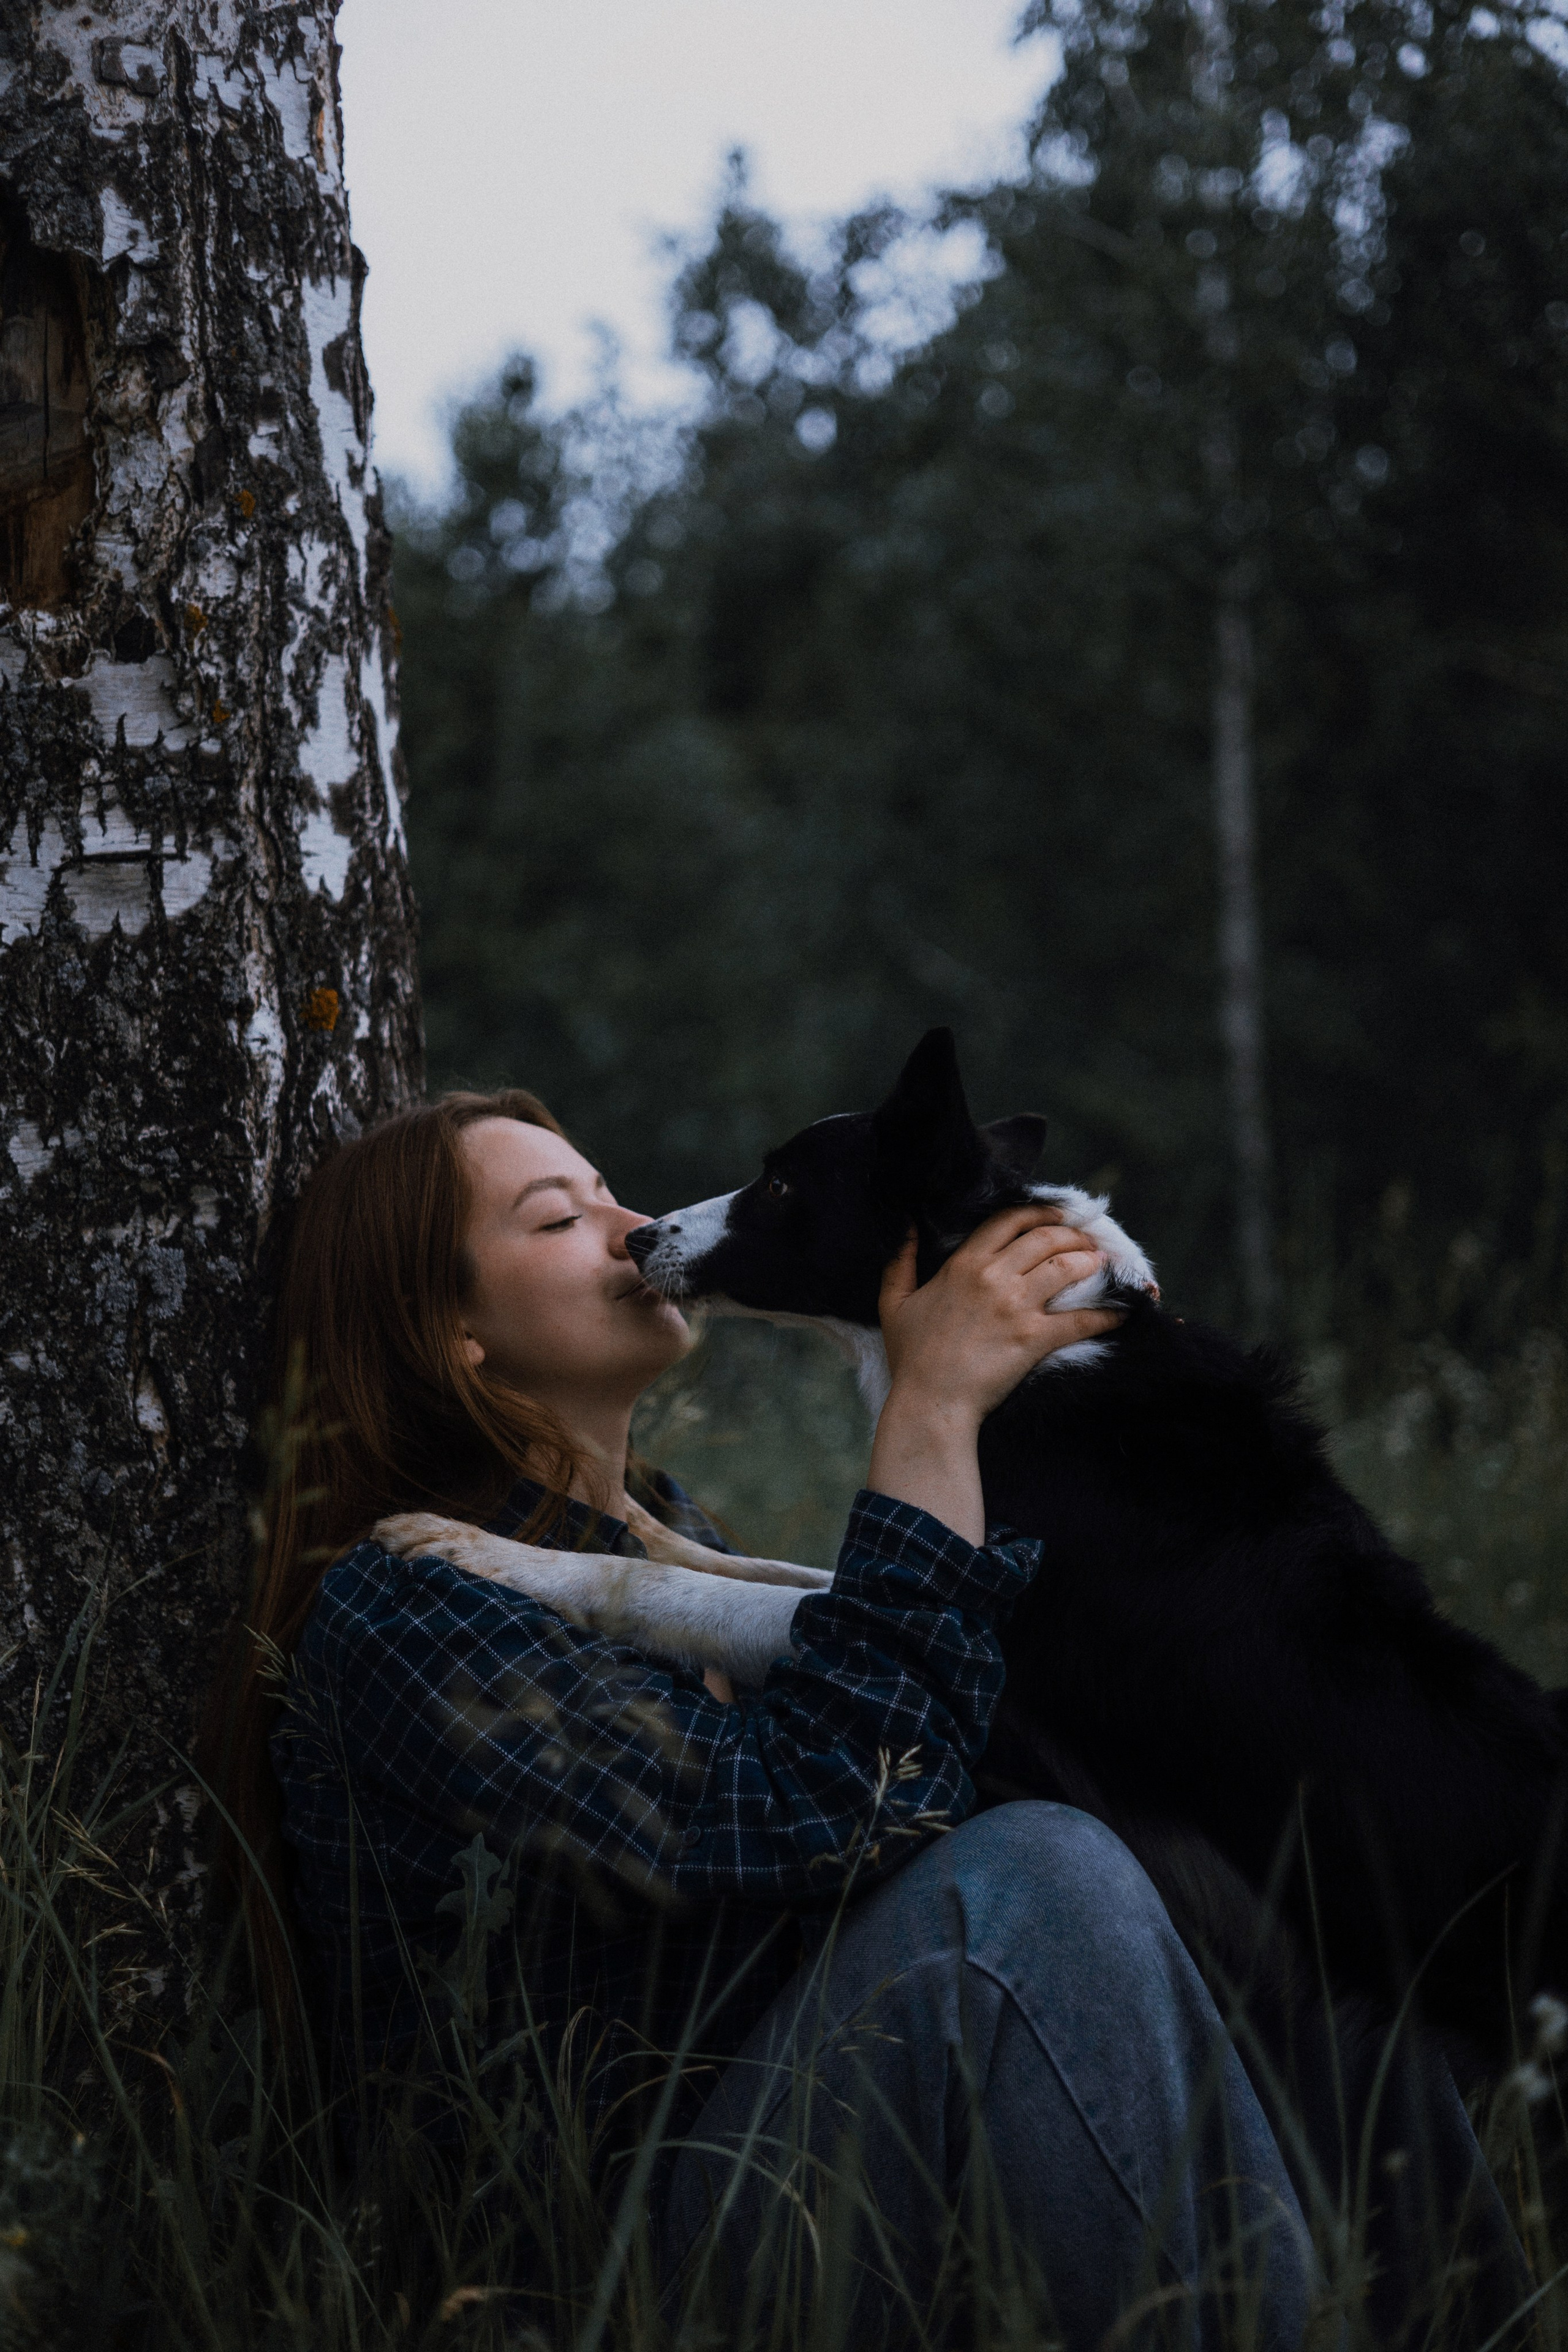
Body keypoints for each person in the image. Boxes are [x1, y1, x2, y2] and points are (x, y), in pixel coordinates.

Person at [206, 1086, 1492, 2346]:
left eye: (608, 1191)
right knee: (1029, 1883)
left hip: (832, 2141)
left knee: (1280, 1900)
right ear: (452, 1338)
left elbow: (971, 1728)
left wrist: (1122, 1376)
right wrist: (933, 1406)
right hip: (601, 2266)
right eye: (557, 1219)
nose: (627, 1223)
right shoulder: (413, 1606)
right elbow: (828, 1809)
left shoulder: (675, 1536)